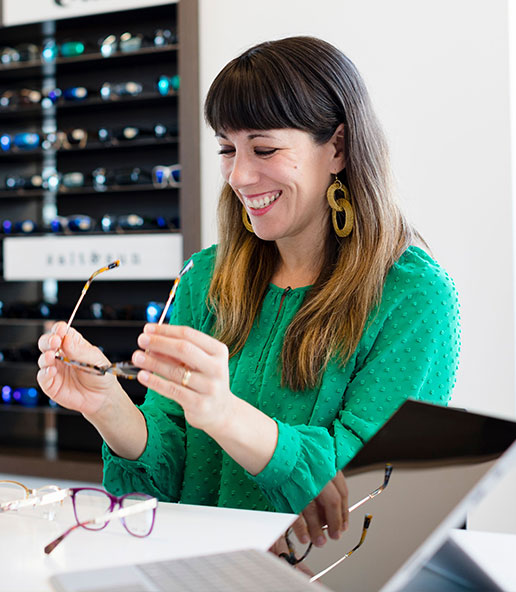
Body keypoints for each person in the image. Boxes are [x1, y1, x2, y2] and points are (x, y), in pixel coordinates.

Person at [37, 36, 460, 550]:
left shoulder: (415, 296)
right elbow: (164, 479)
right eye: (226, 149)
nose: (239, 175)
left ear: (338, 148)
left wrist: (225, 413)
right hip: (192, 571)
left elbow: (368, 499)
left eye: (264, 148)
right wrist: (106, 406)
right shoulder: (204, 278)